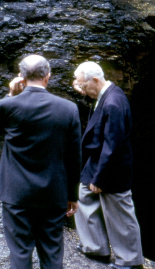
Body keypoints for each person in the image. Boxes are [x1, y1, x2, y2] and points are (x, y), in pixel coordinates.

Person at [0, 54, 81, 269]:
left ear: (21, 77)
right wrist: (73, 195)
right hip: (52, 194)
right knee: (52, 253)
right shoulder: (68, 109)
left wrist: (10, 95)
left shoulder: (7, 107)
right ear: (48, 77)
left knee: (19, 253)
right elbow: (75, 156)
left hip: (16, 194)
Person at [73, 61, 143, 269]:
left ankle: (130, 260)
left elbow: (113, 144)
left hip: (113, 165)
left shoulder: (114, 102)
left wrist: (100, 178)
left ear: (95, 80)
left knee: (119, 211)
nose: (83, 90)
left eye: (84, 86)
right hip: (98, 160)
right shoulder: (105, 94)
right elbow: (96, 111)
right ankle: (96, 247)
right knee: (85, 194)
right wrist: (83, 90)